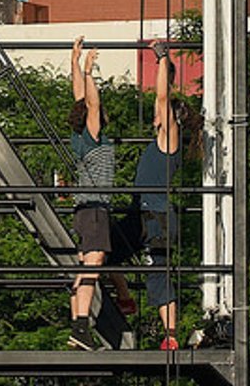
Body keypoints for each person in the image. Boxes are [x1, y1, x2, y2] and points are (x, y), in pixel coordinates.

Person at [113, 42, 191, 351]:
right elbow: (162, 96)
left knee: (158, 275)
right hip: (139, 215)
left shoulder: (169, 137)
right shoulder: (159, 140)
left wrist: (161, 58)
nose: (156, 113)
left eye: (162, 111)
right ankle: (126, 299)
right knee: (101, 252)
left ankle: (170, 335)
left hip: (155, 217)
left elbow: (162, 96)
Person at [67, 36, 115, 350]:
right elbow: (91, 102)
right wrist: (88, 69)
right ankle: (81, 328)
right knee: (92, 265)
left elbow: (81, 99)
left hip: (85, 210)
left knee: (87, 264)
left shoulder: (79, 136)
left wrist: (75, 63)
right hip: (95, 208)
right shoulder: (93, 136)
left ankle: (78, 327)